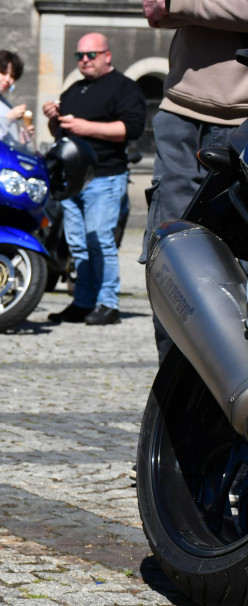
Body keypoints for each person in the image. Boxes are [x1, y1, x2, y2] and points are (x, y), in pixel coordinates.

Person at [140, 0, 248, 361]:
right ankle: (173, 404)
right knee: (170, 262)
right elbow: (154, 11)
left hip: (242, 121)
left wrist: (181, 5)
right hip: (178, 112)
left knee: (237, 265)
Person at [43, 33, 146, 326]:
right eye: (80, 56)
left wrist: (85, 126)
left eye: (91, 55)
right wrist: (53, 118)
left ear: (107, 55)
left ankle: (107, 303)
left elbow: (131, 129)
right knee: (77, 245)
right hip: (73, 181)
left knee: (99, 240)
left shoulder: (125, 88)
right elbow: (61, 133)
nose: (84, 61)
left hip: (105, 176)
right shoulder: (74, 90)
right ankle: (83, 301)